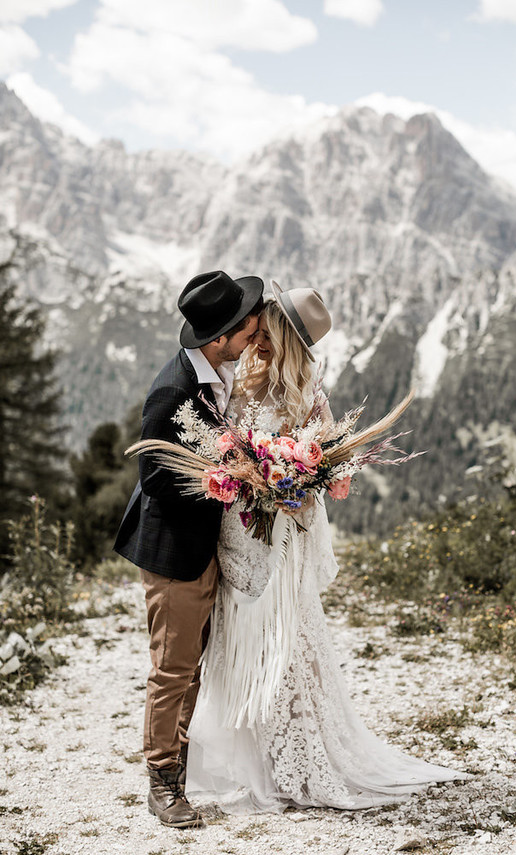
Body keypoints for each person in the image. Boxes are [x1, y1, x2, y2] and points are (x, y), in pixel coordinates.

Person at [184, 281, 467, 813]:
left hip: (277, 536)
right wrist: (241, 475)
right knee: (239, 643)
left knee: (288, 645)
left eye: (266, 329)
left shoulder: (306, 394)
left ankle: (300, 757)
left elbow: (321, 470)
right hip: (235, 533)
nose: (255, 336)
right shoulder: (240, 377)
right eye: (256, 327)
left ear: (286, 336)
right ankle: (256, 758)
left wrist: (284, 483)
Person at [114, 270, 264, 828]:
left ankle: (177, 764)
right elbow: (154, 476)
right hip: (175, 551)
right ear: (220, 336)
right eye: (247, 329)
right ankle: (162, 783)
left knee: (192, 666)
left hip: (202, 546)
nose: (252, 336)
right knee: (173, 669)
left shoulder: (211, 376)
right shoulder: (174, 388)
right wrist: (223, 480)